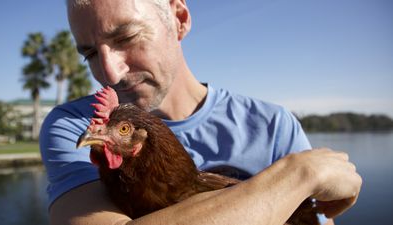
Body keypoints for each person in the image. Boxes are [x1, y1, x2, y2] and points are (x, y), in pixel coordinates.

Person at [39, 0, 362, 224]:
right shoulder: (72, 125)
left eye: (127, 36)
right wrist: (297, 175)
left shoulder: (273, 124)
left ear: (178, 19)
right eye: (90, 53)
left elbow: (319, 219)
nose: (110, 73)